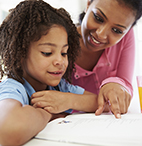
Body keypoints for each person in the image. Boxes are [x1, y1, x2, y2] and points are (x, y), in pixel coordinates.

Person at [0, 0, 98, 145]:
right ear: (20, 53)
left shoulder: (59, 89)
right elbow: (8, 132)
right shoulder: (13, 87)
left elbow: (100, 103)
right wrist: (49, 112)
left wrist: (68, 101)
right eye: (47, 53)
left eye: (64, 53)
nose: (60, 61)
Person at [72, 0, 142, 118]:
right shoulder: (57, 42)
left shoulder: (126, 37)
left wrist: (116, 84)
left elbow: (125, 89)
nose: (101, 34)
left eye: (117, 31)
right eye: (98, 18)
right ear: (88, 5)